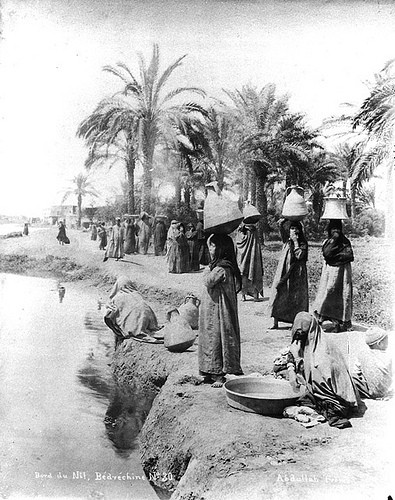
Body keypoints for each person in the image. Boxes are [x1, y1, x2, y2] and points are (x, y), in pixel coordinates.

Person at [287, 312, 359, 429]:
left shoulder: (321, 355)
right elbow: (292, 350)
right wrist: (291, 371)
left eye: (302, 333)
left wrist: (298, 362)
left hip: (336, 399)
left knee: (308, 402)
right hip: (318, 390)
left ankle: (328, 413)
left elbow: (323, 380)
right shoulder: (308, 340)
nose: (299, 337)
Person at [198, 233, 243, 387]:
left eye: (213, 245)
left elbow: (208, 281)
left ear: (220, 249)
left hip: (217, 311)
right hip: (212, 308)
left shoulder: (221, 269)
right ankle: (207, 371)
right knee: (209, 338)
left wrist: (206, 269)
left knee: (216, 338)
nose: (210, 248)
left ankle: (218, 374)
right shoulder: (222, 266)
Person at [314, 219, 354, 333]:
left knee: (341, 296)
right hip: (329, 274)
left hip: (342, 275)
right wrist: (334, 239)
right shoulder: (328, 242)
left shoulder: (345, 242)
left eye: (338, 229)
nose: (336, 231)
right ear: (329, 230)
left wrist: (336, 254)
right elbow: (327, 253)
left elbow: (349, 256)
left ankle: (340, 322)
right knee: (328, 293)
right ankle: (326, 318)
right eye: (333, 229)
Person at [268, 218, 308, 329]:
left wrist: (296, 242)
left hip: (297, 274)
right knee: (280, 293)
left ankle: (295, 322)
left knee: (295, 296)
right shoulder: (286, 241)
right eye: (292, 228)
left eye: (296, 229)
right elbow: (280, 226)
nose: (294, 231)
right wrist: (284, 219)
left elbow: (299, 256)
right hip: (284, 271)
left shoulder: (303, 243)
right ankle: (275, 321)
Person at [104, 277, 163, 347]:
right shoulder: (137, 294)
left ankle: (120, 337)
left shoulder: (117, 297)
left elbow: (111, 315)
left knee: (110, 316)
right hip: (148, 323)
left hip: (134, 326)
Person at [352, 328, 392, 399]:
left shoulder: (362, 354)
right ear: (379, 344)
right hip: (384, 391)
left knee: (353, 378)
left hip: (368, 391)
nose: (388, 343)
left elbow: (355, 372)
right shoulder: (388, 356)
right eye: (387, 341)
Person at [236, 222, 263, 301]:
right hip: (253, 255)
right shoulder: (254, 230)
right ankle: (255, 296)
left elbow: (238, 242)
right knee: (253, 271)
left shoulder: (242, 231)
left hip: (243, 257)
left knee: (244, 272)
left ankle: (243, 296)